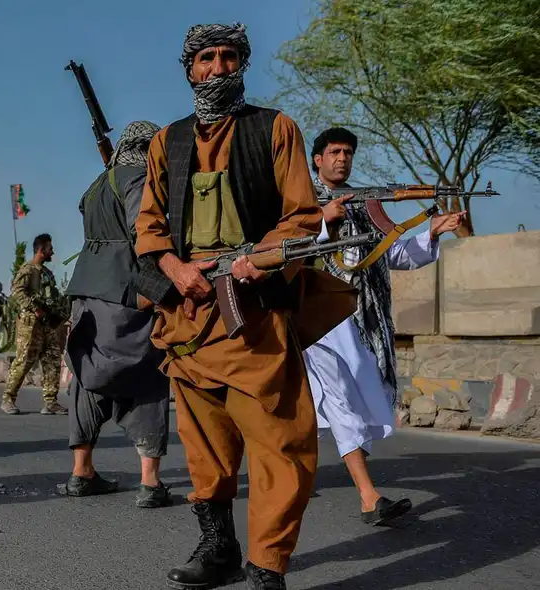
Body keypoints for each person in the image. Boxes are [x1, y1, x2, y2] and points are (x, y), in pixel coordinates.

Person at [133, 23, 356, 590]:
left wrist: (258, 259)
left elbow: (302, 216)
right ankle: (219, 548)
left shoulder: (275, 129)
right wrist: (176, 270)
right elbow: (150, 227)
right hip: (188, 313)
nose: (218, 66)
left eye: (229, 57)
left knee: (280, 441)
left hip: (253, 311)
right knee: (205, 443)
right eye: (206, 58)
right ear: (189, 70)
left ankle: (266, 567)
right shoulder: (166, 141)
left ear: (242, 65)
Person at [306, 127, 466, 525]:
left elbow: (392, 254)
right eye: (334, 152)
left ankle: (300, 473)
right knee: (341, 400)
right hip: (322, 321)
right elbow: (288, 249)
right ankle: (368, 496)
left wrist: (430, 233)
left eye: (348, 152)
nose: (342, 158)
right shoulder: (301, 203)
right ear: (317, 160)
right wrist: (323, 221)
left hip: (369, 320)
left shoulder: (366, 204)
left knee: (360, 397)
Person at [62, 120, 173, 509]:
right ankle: (150, 481)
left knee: (87, 377)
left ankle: (82, 472)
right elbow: (142, 231)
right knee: (148, 375)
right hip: (126, 292)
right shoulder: (137, 178)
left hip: (86, 293)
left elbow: (86, 212)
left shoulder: (97, 184)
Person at [1, 233, 70, 416]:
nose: (52, 252)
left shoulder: (46, 273)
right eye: (49, 249)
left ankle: (51, 402)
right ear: (41, 250)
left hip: (47, 324)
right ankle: (8, 399)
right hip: (30, 324)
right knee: (23, 361)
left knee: (53, 361)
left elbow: (52, 297)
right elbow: (17, 290)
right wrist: (34, 308)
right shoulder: (28, 269)